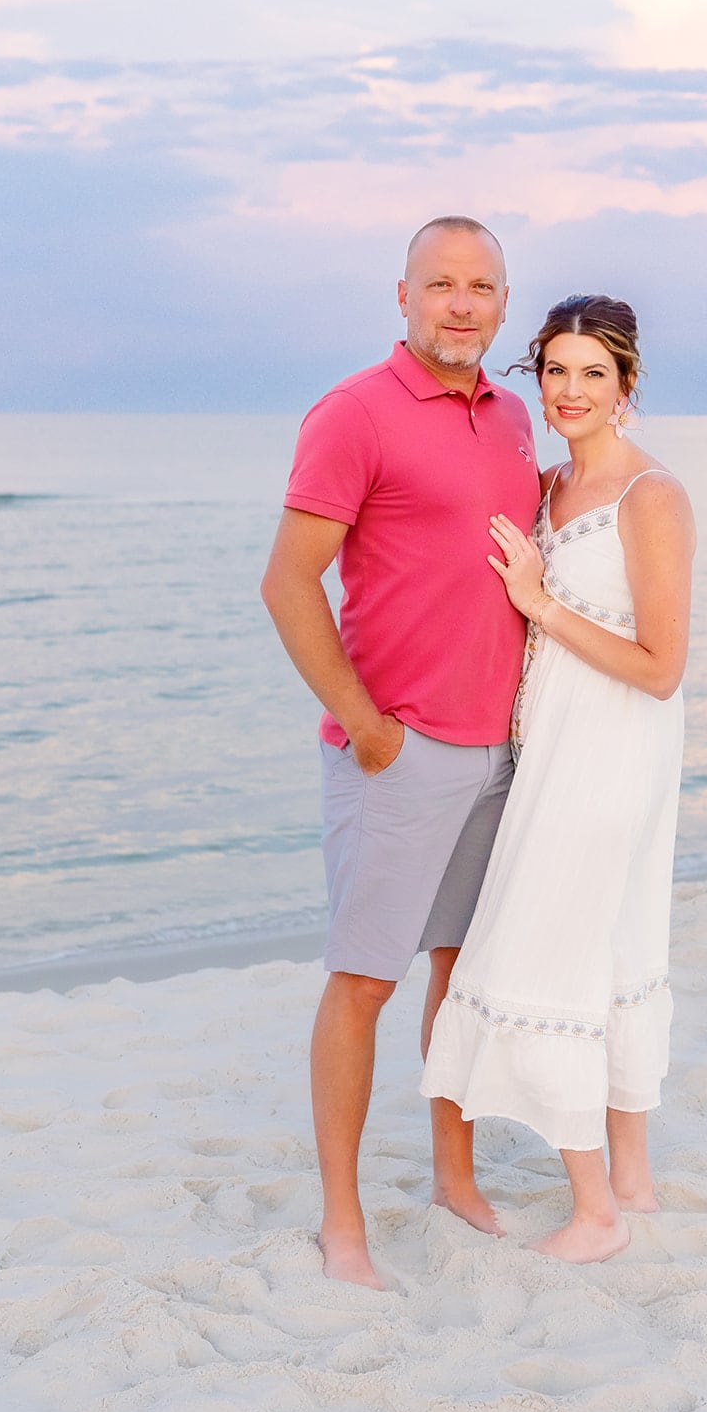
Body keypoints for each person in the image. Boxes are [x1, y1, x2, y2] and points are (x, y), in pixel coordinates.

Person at [261, 217, 540, 1288]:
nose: (460, 305)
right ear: (403, 295)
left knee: (460, 976)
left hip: (498, 754)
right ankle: (342, 1221)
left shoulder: (510, 415)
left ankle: (453, 1179)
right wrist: (367, 725)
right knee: (364, 981)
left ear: (503, 302)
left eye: (481, 286)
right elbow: (288, 581)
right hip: (398, 754)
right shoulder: (353, 411)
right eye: (440, 285)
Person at [421, 294, 695, 1263]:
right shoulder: (547, 487)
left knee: (546, 953)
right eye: (555, 370)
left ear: (625, 385)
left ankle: (595, 1214)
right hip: (554, 745)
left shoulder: (649, 497)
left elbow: (660, 668)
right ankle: (631, 1181)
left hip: (610, 755)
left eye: (592, 373)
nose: (570, 390)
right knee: (610, 951)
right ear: (535, 378)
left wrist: (538, 604)